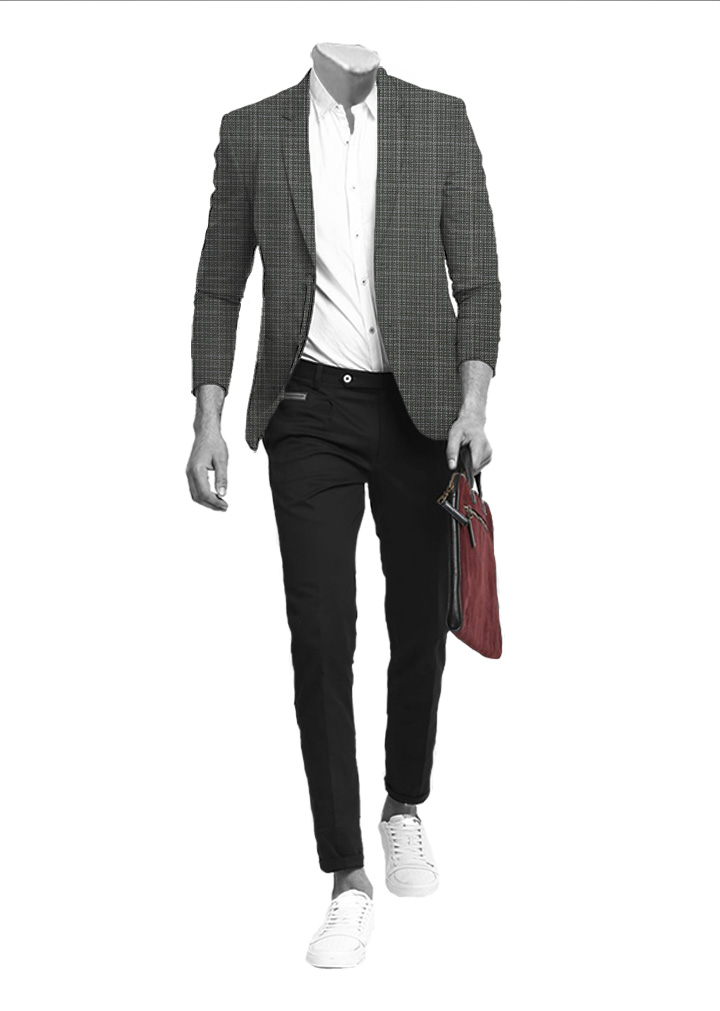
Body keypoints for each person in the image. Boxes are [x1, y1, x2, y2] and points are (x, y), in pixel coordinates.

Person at [186, 42, 501, 968]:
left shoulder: (440, 120)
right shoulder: (253, 132)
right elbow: (219, 284)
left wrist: (475, 408)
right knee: (322, 632)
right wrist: (206, 419)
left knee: (419, 620)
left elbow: (478, 280)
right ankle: (347, 877)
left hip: (421, 412)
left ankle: (404, 800)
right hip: (308, 408)